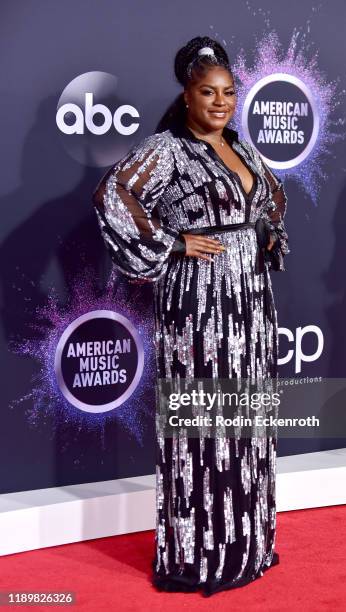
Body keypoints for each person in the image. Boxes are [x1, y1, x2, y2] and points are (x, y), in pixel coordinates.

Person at [92, 35, 289, 597]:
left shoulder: (244, 149)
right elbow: (114, 196)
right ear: (186, 96)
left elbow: (270, 199)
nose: (221, 102)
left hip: (249, 303)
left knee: (245, 422)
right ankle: (201, 553)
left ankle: (246, 544)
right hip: (198, 305)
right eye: (209, 92)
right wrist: (172, 243)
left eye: (229, 91)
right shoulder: (168, 150)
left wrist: (267, 237)